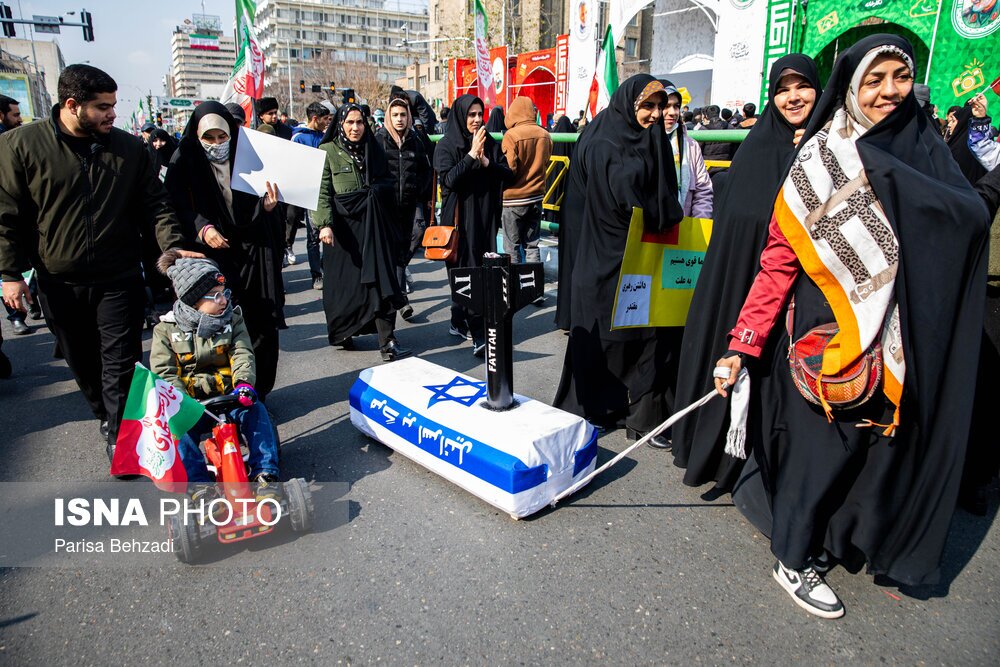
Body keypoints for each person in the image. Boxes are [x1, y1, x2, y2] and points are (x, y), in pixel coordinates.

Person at [712, 35, 990, 618]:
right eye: (874, 79)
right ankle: (793, 556)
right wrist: (743, 344)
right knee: (824, 450)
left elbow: (964, 218)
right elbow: (778, 263)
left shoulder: (928, 150)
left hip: (906, 336)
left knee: (878, 449)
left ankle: (845, 538)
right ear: (850, 88)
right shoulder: (819, 160)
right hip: (829, 338)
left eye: (900, 76)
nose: (889, 90)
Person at [0, 64, 194, 458]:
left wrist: (172, 250)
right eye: (103, 107)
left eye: (114, 105)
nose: (112, 114)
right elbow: (6, 215)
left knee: (120, 362)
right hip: (58, 281)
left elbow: (156, 206)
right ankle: (106, 414)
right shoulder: (21, 146)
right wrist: (9, 274)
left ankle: (120, 433)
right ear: (72, 105)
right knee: (82, 360)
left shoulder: (130, 149)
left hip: (119, 277)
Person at [671, 54, 822, 486]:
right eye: (782, 89)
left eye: (802, 87)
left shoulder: (825, 148)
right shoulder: (758, 146)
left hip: (786, 285)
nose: (793, 97)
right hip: (736, 281)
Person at [552, 75, 684, 445]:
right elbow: (628, 204)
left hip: (644, 252)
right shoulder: (606, 142)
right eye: (648, 106)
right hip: (606, 252)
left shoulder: (648, 138)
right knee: (606, 335)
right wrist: (662, 216)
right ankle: (596, 409)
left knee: (649, 332)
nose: (657, 114)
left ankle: (643, 415)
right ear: (629, 104)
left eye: (661, 106)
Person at [164, 101, 285, 402]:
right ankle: (222, 394)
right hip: (213, 255)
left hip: (254, 249)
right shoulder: (184, 161)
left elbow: (263, 195)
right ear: (197, 136)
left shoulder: (250, 154)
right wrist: (203, 228)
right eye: (209, 138)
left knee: (261, 321)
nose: (217, 144)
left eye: (222, 136)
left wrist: (266, 206)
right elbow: (176, 206)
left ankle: (257, 393)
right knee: (220, 322)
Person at [151, 250, 281, 501]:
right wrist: (180, 401)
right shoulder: (166, 330)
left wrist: (243, 385)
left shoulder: (233, 320)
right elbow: (164, 371)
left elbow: (242, 353)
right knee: (175, 428)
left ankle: (265, 473)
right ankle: (199, 486)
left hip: (230, 395)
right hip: (192, 403)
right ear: (193, 301)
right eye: (215, 296)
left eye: (224, 293)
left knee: (256, 411)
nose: (223, 301)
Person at [314, 103, 411, 362]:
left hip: (374, 226)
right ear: (341, 124)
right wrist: (324, 224)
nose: (356, 128)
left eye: (360, 122)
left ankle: (388, 342)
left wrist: (378, 194)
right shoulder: (328, 151)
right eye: (350, 123)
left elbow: (387, 182)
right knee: (344, 288)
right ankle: (344, 329)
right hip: (343, 231)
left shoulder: (373, 148)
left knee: (381, 282)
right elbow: (321, 191)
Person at [433, 94, 514, 355]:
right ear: (460, 116)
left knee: (481, 270)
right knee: (466, 273)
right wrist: (470, 156)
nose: (478, 120)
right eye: (472, 115)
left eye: (481, 114)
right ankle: (479, 333)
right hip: (459, 223)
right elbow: (449, 181)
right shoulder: (446, 145)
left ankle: (459, 321)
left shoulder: (489, 142)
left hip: (484, 220)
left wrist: (487, 162)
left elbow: (507, 176)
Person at [374, 92, 432, 321]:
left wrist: (421, 192)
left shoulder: (414, 140)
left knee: (414, 237)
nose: (399, 119)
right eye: (395, 115)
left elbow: (426, 169)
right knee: (393, 251)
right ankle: (401, 300)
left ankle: (397, 283)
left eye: (403, 115)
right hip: (386, 207)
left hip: (410, 203)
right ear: (389, 116)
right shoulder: (378, 139)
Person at [501, 96, 553, 271]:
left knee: (512, 247)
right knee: (532, 246)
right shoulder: (544, 134)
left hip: (514, 199)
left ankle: (515, 288)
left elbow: (510, 169)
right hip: (536, 196)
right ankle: (535, 288)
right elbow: (546, 161)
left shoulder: (511, 135)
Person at [292, 102, 333, 290]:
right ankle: (316, 274)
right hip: (310, 192)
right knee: (313, 236)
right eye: (324, 119)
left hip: (327, 191)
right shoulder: (298, 138)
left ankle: (327, 267)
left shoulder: (326, 136)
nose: (327, 122)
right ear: (314, 119)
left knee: (330, 232)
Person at [661, 81, 712, 219]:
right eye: (666, 106)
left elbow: (703, 190)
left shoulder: (691, 146)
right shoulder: (642, 144)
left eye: (676, 106)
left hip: (684, 229)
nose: (672, 112)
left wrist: (698, 224)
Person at [947, 101, 988, 185]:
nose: (949, 125)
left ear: (963, 123)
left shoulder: (959, 150)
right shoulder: (979, 148)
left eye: (953, 121)